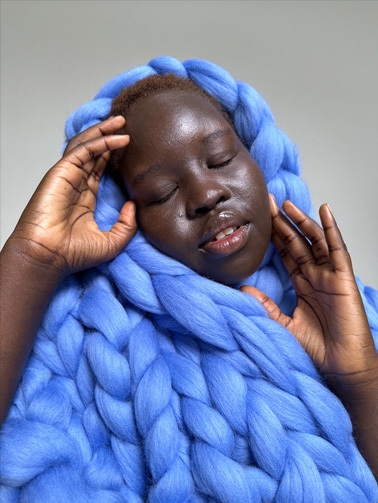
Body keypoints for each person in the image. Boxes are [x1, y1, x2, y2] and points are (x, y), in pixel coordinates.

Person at [0, 57, 377, 502]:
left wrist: (359, 378)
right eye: (163, 192)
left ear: (258, 159)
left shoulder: (361, 318)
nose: (205, 195)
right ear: (128, 214)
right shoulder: (86, 350)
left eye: (219, 159)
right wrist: (33, 257)